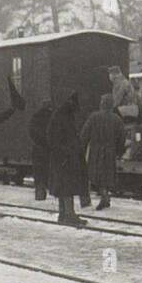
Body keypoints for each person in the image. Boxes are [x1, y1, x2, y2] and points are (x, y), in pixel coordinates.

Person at [47, 92, 87, 226]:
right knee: (67, 187)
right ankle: (69, 215)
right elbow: (55, 140)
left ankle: (64, 214)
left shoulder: (59, 116)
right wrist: (66, 154)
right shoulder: (62, 117)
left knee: (63, 187)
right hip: (65, 159)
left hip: (63, 158)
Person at [80, 93, 125, 210]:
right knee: (107, 175)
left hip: (95, 151)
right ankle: (105, 196)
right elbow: (122, 138)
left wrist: (82, 149)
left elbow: (84, 134)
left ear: (101, 104)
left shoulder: (93, 117)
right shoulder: (117, 119)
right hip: (110, 151)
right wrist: (119, 152)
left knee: (95, 174)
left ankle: (103, 196)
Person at [29, 98, 53, 201]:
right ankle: (51, 189)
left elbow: (31, 132)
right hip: (48, 148)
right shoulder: (52, 117)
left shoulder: (35, 117)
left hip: (37, 148)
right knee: (49, 169)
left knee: (38, 171)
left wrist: (38, 141)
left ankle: (39, 192)